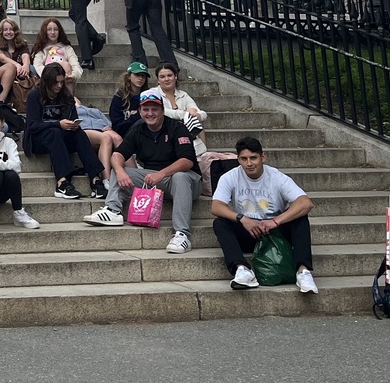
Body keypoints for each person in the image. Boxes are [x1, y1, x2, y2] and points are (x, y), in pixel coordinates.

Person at [83, 91, 201, 254]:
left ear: (162, 110)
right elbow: (118, 154)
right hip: (154, 180)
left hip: (187, 181)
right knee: (121, 168)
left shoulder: (176, 127)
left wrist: (161, 174)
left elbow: (187, 161)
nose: (150, 113)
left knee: (180, 177)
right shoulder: (138, 127)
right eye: (146, 110)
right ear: (140, 111)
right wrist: (119, 171)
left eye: (154, 109)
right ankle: (113, 210)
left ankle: (182, 234)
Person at [211, 136, 319, 293]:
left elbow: (305, 203)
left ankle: (304, 272)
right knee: (220, 223)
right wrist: (242, 218)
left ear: (263, 157)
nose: (249, 163)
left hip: (275, 232)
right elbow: (216, 206)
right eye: (244, 159)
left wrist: (275, 221)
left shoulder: (276, 177)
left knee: (301, 218)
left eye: (253, 158)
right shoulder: (230, 177)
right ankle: (242, 269)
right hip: (250, 231)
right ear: (238, 159)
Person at [24, 63, 105, 200]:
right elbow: (32, 125)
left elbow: (73, 118)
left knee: (79, 133)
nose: (59, 86)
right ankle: (62, 182)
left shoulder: (66, 96)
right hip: (38, 140)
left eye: (62, 82)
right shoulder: (34, 95)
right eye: (56, 83)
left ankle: (95, 179)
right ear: (47, 82)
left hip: (61, 137)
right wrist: (58, 124)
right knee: (54, 132)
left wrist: (72, 125)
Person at [29, 17, 83, 92]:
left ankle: (68, 100)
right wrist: (52, 76)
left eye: (56, 29)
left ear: (59, 31)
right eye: (49, 29)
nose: (53, 32)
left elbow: (76, 65)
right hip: (48, 83)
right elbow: (38, 66)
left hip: (65, 81)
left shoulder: (67, 48)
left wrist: (73, 76)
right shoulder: (41, 49)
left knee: (66, 65)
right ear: (45, 31)